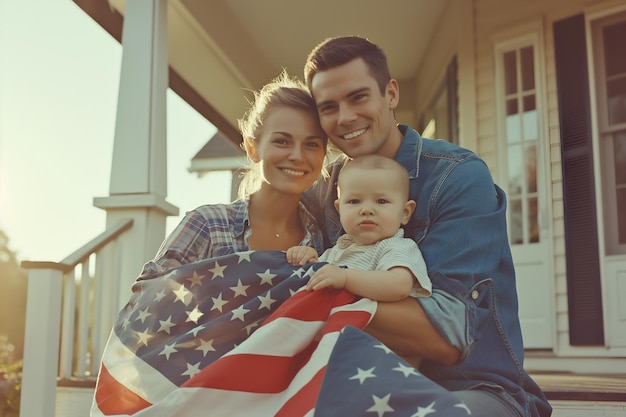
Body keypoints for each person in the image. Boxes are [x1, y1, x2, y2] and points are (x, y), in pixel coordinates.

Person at [302, 36, 551, 417]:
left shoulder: (457, 177)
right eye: (329, 107)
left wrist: (317, 292)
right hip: (359, 381)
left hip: (470, 386)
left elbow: (447, 338)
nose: (345, 117)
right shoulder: (326, 190)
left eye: (358, 97)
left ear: (391, 93)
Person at [140, 70, 328, 277]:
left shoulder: (327, 239)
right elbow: (148, 298)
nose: (297, 156)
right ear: (252, 148)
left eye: (311, 144)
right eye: (282, 141)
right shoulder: (207, 224)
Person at [286, 154, 431, 304]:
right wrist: (308, 259)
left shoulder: (396, 247)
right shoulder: (336, 250)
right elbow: (317, 279)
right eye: (354, 201)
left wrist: (345, 278)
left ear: (405, 212)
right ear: (339, 209)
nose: (366, 210)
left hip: (364, 325)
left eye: (381, 201)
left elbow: (399, 286)